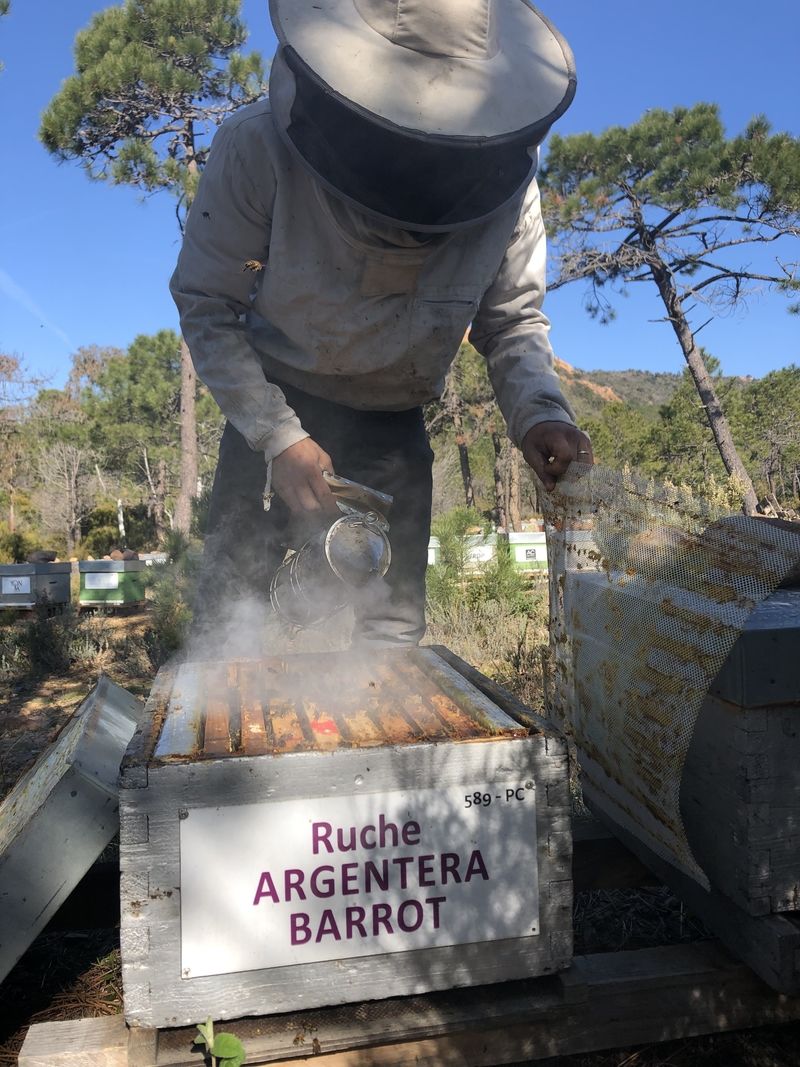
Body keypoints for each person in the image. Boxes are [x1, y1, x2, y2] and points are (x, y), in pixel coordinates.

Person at [171, 0, 593, 646]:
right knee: (233, 622)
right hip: (272, 416)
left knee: (390, 639)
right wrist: (277, 435)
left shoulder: (512, 194)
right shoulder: (256, 146)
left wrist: (540, 409)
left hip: (395, 431)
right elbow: (206, 301)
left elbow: (510, 321)